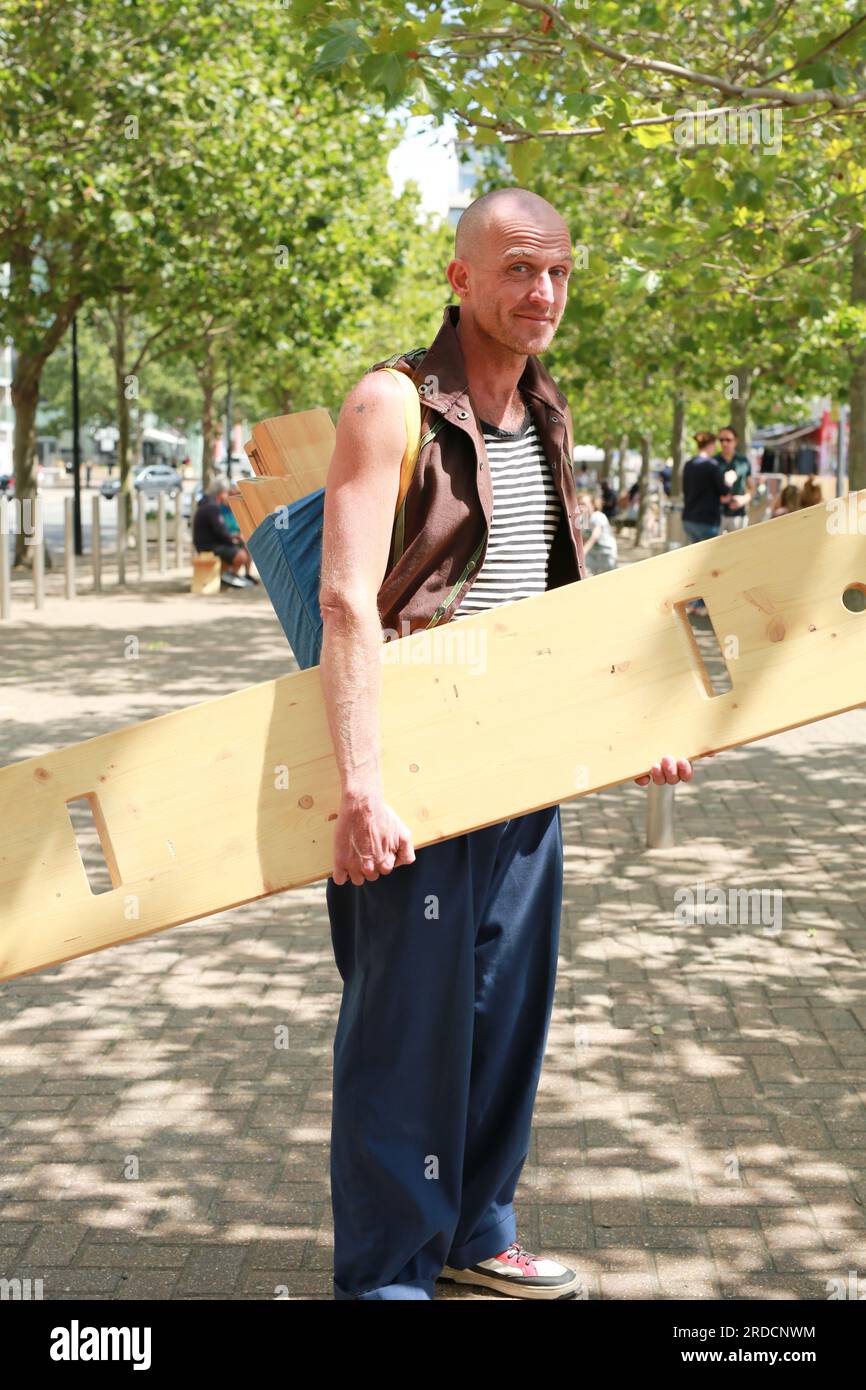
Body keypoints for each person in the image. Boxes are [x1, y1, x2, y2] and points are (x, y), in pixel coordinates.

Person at [317, 186, 699, 1302]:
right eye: (518, 270)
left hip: (527, 766)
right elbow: (347, 603)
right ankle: (387, 1274)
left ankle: (476, 1235)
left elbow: (553, 602)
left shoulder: (545, 412)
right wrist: (358, 785)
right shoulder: (388, 405)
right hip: (410, 776)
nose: (542, 293)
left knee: (503, 1014)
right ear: (459, 279)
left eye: (559, 274)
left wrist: (630, 731)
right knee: (403, 1033)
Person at [191, 476, 258, 588]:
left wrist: (233, 538)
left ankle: (234, 575)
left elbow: (220, 530)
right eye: (226, 492)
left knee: (243, 546)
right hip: (208, 546)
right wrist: (233, 540)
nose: (227, 495)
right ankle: (230, 575)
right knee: (240, 555)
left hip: (210, 543)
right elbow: (221, 530)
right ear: (221, 493)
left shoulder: (208, 504)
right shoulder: (212, 507)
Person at [714, 426, 751, 532]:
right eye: (721, 440)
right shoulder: (713, 462)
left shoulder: (743, 461)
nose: (724, 443)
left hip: (738, 515)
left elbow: (752, 487)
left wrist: (744, 499)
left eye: (728, 440)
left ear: (736, 441)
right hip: (717, 515)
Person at [576, 488, 618, 574]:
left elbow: (595, 536)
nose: (581, 507)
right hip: (592, 555)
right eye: (579, 504)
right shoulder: (582, 520)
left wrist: (583, 552)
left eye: (584, 504)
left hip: (606, 553)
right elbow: (583, 538)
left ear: (592, 505)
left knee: (609, 579)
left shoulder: (598, 516)